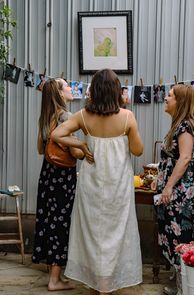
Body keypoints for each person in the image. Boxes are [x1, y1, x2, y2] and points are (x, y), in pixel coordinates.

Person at [51, 69, 144, 295]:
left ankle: (96, 285)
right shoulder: (127, 117)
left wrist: (81, 145)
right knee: (115, 235)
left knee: (93, 235)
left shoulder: (83, 116)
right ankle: (106, 286)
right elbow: (138, 151)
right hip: (118, 186)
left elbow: (56, 135)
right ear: (115, 91)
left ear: (95, 90)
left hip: (91, 185)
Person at [151, 84, 194, 295]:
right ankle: (180, 282)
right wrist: (159, 178)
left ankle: (183, 286)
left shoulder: (185, 127)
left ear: (180, 101)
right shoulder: (181, 125)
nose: (166, 98)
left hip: (180, 194)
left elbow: (184, 159)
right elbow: (171, 161)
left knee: (181, 236)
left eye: (170, 95)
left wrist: (169, 186)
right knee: (176, 237)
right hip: (175, 190)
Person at [32, 78, 84, 291]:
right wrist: (85, 149)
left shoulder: (46, 117)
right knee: (61, 223)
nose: (71, 88)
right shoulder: (65, 116)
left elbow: (39, 149)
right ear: (60, 94)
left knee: (48, 220)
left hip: (47, 175)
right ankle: (55, 280)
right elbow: (74, 152)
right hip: (62, 176)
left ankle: (55, 275)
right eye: (67, 86)